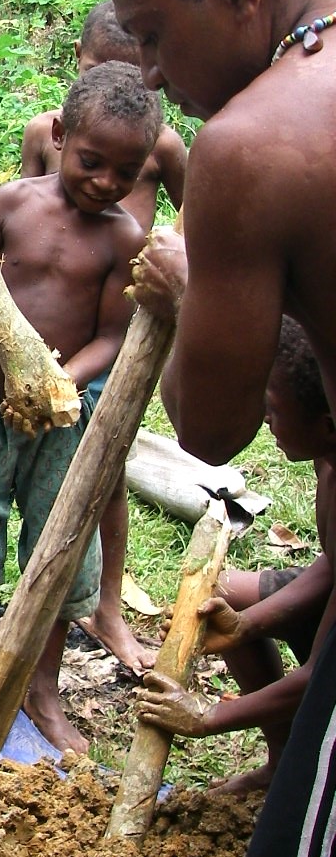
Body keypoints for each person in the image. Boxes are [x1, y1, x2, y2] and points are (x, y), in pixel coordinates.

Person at [104, 0, 336, 857]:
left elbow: (208, 431)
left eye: (153, 33)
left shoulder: (257, 142)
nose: (148, 76)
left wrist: (192, 282)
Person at [0, 61, 160, 754]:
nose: (106, 182)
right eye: (92, 162)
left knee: (61, 545)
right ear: (58, 135)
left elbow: (115, 336)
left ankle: (43, 683)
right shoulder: (9, 204)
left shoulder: (122, 238)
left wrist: (62, 377)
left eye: (126, 172)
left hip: (64, 415)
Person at [20, 0, 188, 671]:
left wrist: (168, 264)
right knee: (43, 461)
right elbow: (27, 215)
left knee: (106, 462)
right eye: (101, 74)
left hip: (121, 323)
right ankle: (41, 590)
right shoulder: (45, 132)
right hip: (51, 328)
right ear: (79, 70)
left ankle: (107, 607)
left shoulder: (165, 146)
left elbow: (199, 216)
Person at [135, 317, 336, 794]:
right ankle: (284, 760)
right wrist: (246, 625)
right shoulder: (328, 454)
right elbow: (332, 561)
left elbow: (320, 678)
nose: (266, 421)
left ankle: (310, 776)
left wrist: (207, 717)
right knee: (225, 595)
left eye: (273, 409)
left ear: (325, 424)